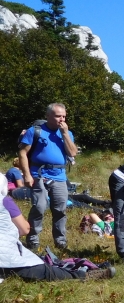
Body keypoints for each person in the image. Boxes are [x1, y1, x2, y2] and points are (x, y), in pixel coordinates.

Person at [1, 179, 113, 281]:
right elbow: (25, 229)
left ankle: (84, 267)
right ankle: (83, 275)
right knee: (45, 270)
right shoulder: (4, 201)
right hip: (7, 258)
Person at [17, 103, 78, 250]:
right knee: (39, 206)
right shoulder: (35, 131)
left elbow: (72, 153)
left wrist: (65, 134)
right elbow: (22, 153)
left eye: (64, 116)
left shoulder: (67, 133)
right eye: (58, 116)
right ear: (48, 116)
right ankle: (33, 239)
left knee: (60, 209)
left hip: (59, 176)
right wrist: (27, 175)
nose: (62, 119)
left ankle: (60, 240)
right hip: (39, 174)